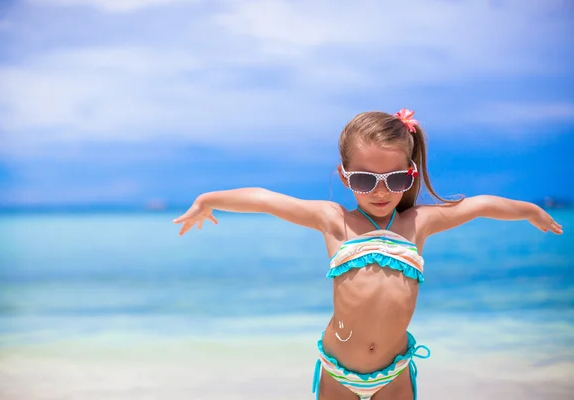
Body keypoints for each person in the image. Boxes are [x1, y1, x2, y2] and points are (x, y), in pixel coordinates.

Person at [173, 108, 563, 400]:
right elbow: (266, 200)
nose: (380, 191)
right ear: (345, 176)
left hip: (394, 371)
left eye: (393, 179)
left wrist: (529, 210)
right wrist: (208, 200)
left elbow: (478, 205)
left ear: (409, 174)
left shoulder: (418, 223)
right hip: (337, 369)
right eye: (364, 179)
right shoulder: (333, 221)